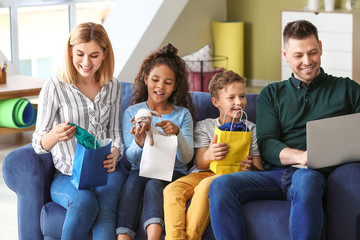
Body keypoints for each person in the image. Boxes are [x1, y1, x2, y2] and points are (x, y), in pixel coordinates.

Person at [208, 20, 360, 240]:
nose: (307, 61)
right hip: (273, 174)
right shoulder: (272, 93)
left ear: (320, 47)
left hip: (312, 176)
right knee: (221, 186)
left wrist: (314, 162)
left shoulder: (347, 89)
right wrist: (303, 156)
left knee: (306, 179)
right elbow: (267, 143)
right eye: (298, 55)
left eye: (312, 52)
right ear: (285, 54)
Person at [32, 22, 128, 240]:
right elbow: (38, 143)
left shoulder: (113, 85)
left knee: (105, 209)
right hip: (67, 175)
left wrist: (115, 153)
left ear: (105, 54)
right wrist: (55, 135)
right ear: (70, 52)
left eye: (94, 55)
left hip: (105, 171)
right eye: (80, 54)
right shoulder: (54, 86)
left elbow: (115, 132)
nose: (86, 62)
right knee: (85, 201)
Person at [163, 70, 262, 240]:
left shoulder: (251, 129)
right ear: (216, 102)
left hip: (231, 176)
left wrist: (250, 166)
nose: (239, 102)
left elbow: (259, 168)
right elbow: (200, 163)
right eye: (231, 98)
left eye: (242, 96)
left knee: (206, 185)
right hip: (202, 173)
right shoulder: (204, 126)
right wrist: (209, 154)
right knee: (172, 189)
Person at [116, 43, 195, 240]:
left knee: (153, 185)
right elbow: (131, 158)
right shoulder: (133, 113)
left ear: (175, 85)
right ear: (146, 79)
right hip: (141, 169)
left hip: (174, 171)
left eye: (168, 82)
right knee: (132, 183)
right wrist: (139, 141)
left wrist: (177, 134)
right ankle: (123, 236)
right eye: (155, 80)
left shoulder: (182, 115)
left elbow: (186, 159)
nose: (160, 86)